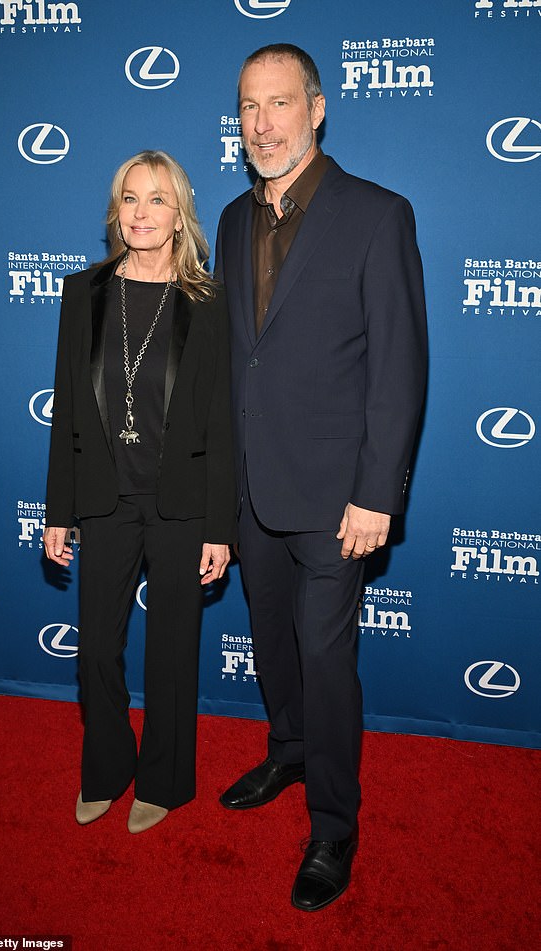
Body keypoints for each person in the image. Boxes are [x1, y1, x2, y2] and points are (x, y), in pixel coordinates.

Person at [215, 45, 427, 910]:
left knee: (326, 655)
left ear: (317, 107)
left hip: (341, 499)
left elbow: (400, 366)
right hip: (252, 489)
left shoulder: (377, 213)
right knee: (272, 643)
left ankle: (334, 821)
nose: (262, 123)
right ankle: (289, 748)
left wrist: (379, 491)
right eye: (248, 107)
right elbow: (237, 365)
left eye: (279, 104)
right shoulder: (231, 220)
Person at [44, 150, 237, 834]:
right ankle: (107, 766)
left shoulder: (207, 304)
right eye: (130, 198)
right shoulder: (83, 294)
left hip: (181, 503)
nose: (142, 213)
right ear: (115, 211)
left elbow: (221, 422)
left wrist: (221, 526)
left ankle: (164, 779)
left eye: (157, 200)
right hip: (107, 498)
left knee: (172, 652)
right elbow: (69, 407)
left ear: (179, 215)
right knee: (96, 648)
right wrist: (58, 511)